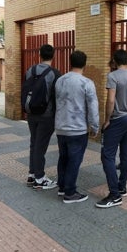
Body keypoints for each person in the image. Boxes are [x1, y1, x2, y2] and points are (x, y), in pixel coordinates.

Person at [97, 49, 127, 208]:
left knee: (107, 155)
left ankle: (114, 195)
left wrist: (107, 120)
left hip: (117, 119)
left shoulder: (113, 76)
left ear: (114, 61)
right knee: (125, 152)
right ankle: (122, 187)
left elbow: (110, 101)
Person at [54, 50, 99, 203]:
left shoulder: (60, 80)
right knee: (74, 160)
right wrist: (94, 126)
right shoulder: (86, 83)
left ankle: (62, 187)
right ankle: (70, 192)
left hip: (61, 126)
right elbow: (93, 106)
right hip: (77, 129)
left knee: (63, 158)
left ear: (70, 62)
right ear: (84, 64)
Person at [24, 44, 61, 190]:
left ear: (40, 55)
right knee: (41, 146)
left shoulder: (30, 70)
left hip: (30, 113)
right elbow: (57, 97)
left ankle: (32, 174)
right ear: (54, 55)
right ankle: (40, 178)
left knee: (34, 143)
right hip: (47, 115)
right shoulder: (55, 73)